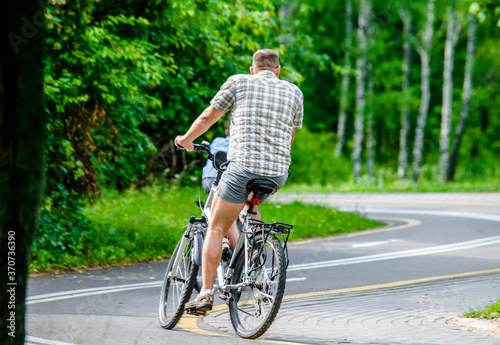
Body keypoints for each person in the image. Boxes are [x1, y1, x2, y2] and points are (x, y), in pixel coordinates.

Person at [175, 48, 303, 313]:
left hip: (242, 168)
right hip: (278, 173)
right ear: (278, 70)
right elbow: (289, 139)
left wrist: (186, 140)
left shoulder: (239, 81)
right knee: (250, 202)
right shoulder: (294, 92)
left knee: (216, 227)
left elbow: (209, 116)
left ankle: (206, 294)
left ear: (252, 69)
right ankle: (255, 250)